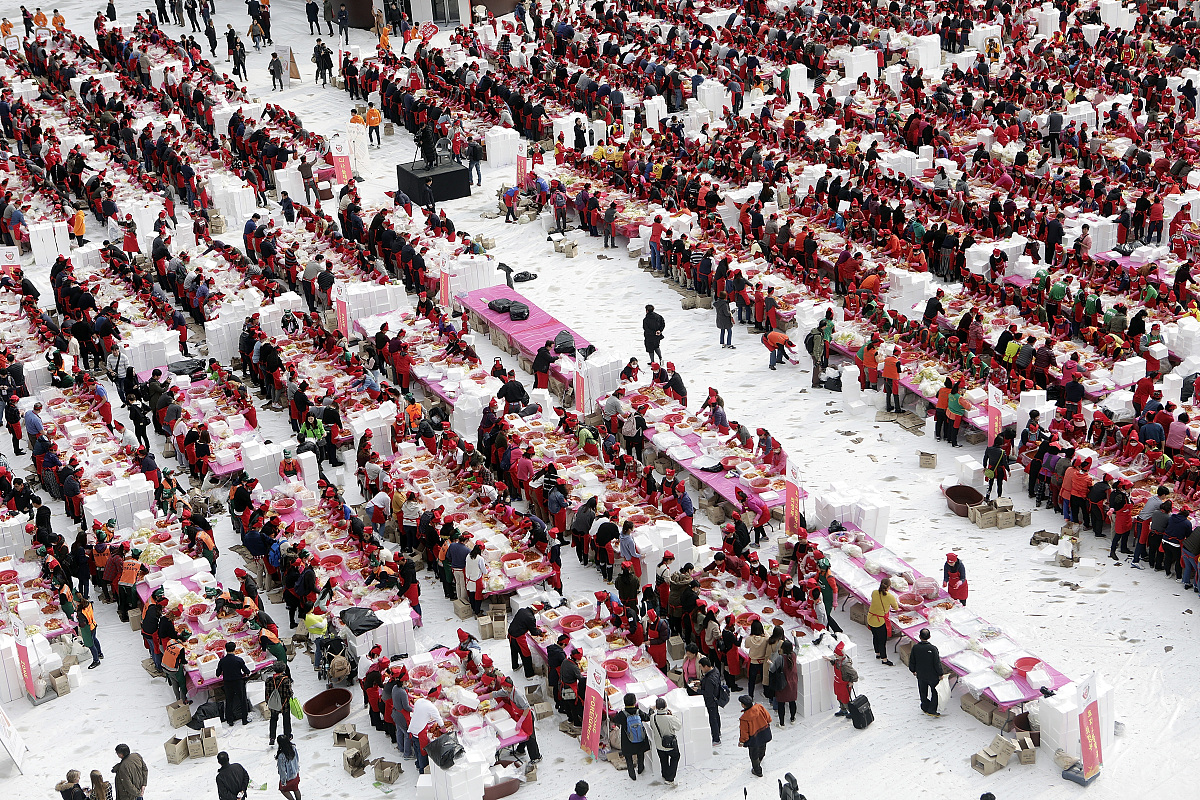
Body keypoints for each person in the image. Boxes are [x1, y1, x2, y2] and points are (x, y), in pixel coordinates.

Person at [614, 692, 650, 780]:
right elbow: (647, 717)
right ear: (634, 702)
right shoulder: (638, 712)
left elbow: (615, 720)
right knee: (640, 754)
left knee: (628, 758)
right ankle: (640, 769)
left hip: (628, 741)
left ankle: (632, 774)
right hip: (640, 739)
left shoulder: (622, 714)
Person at [910, 628, 944, 717]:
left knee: (923, 691)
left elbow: (912, 660)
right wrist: (940, 673)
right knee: (935, 692)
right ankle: (932, 709)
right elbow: (937, 663)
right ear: (929, 637)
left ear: (919, 636)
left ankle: (925, 706)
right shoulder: (933, 649)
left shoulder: (915, 647)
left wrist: (913, 670)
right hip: (932, 675)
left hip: (921, 674)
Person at [647, 697, 681, 784]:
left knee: (663, 759)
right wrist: (672, 715)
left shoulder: (652, 718)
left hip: (659, 744)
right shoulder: (670, 718)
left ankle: (665, 774)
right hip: (670, 744)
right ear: (666, 706)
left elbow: (652, 726)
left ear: (656, 707)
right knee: (675, 757)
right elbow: (678, 726)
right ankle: (670, 778)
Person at [216, 641, 251, 725]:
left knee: (229, 701)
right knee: (242, 700)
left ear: (226, 649)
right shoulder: (239, 660)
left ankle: (230, 720)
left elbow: (218, 673)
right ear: (234, 649)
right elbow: (247, 671)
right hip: (238, 682)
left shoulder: (222, 661)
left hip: (227, 683)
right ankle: (244, 719)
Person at [737, 695, 772, 777]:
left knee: (753, 754)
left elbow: (744, 733)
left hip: (753, 738)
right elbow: (768, 718)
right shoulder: (759, 707)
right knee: (762, 747)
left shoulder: (744, 718)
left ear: (743, 705)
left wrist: (742, 742)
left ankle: (757, 770)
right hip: (763, 732)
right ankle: (760, 758)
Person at [868, 577, 898, 665]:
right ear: (889, 587)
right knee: (882, 641)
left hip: (870, 618)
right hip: (879, 621)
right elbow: (896, 608)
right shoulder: (890, 597)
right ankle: (884, 659)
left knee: (875, 636)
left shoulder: (874, 592)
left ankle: (877, 653)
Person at [769, 639, 799, 726]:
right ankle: (792, 719)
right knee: (792, 702)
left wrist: (770, 663)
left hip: (782, 684)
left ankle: (782, 724)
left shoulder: (780, 658)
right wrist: (794, 636)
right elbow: (797, 647)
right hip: (793, 683)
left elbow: (772, 669)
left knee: (781, 703)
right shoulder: (794, 655)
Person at [265, 663, 294, 744]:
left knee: (273, 719)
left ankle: (272, 737)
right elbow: (289, 693)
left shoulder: (269, 680)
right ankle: (287, 736)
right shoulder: (286, 680)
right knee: (286, 720)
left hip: (274, 704)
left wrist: (268, 702)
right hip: (284, 704)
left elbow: (267, 693)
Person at [699, 656, 724, 744]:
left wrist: (697, 690)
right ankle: (718, 732)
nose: (700, 669)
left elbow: (708, 693)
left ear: (705, 666)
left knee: (713, 719)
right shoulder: (715, 671)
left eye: (701, 667)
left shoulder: (709, 679)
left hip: (711, 701)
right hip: (716, 698)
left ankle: (716, 739)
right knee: (716, 716)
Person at [275, 735, 301, 800]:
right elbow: (297, 759)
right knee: (295, 788)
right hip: (295, 774)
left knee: (283, 790)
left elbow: (282, 770)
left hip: (288, 778)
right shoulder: (293, 748)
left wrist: (283, 781)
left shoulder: (281, 756)